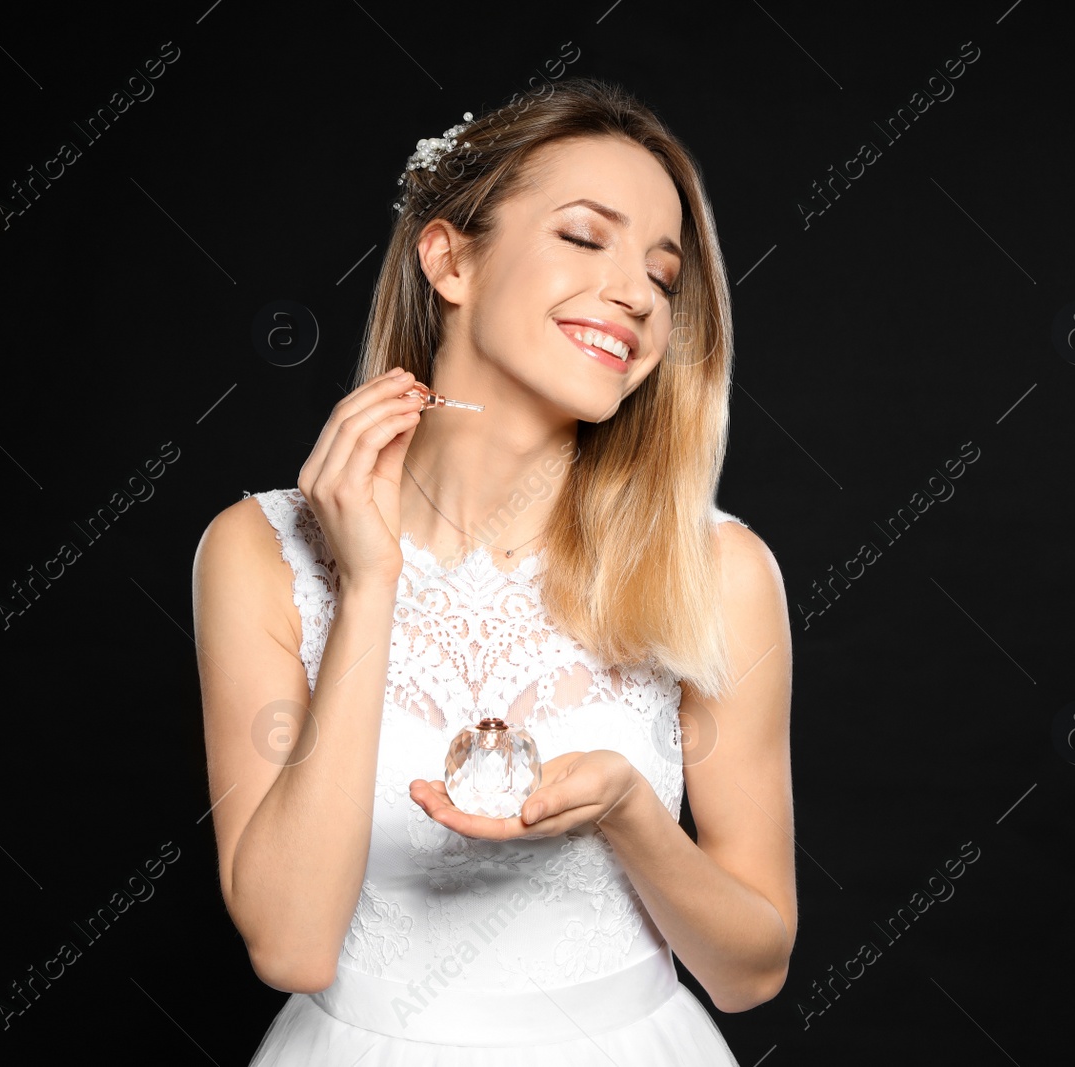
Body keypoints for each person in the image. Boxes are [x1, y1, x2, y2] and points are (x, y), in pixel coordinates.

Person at [191, 77, 796, 1065]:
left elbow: (749, 970)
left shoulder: (717, 568)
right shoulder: (257, 552)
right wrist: (370, 582)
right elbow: (291, 943)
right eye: (584, 236)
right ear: (449, 259)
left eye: (662, 270)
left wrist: (632, 818)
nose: (638, 293)